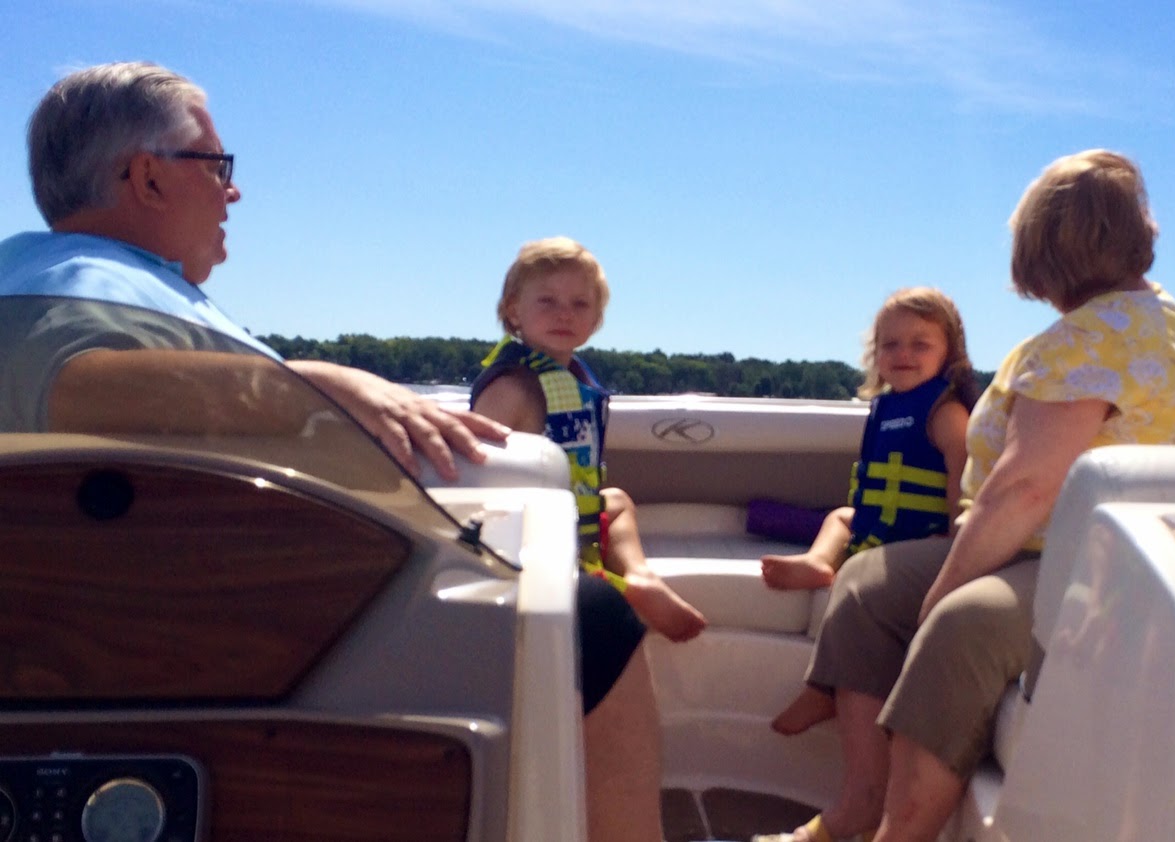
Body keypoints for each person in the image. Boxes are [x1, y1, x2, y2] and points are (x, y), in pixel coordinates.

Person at [0, 62, 663, 842]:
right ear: (147, 178)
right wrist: (321, 384)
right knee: (592, 622)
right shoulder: (70, 295)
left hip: (155, 614)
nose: (233, 192)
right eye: (216, 166)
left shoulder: (69, 279)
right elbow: (63, 389)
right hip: (213, 642)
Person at [752, 149, 1175, 842]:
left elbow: (1025, 489)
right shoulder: (1161, 320)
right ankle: (858, 802)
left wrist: (941, 592)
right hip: (1069, 551)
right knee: (864, 584)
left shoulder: (1089, 342)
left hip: (1096, 568)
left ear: (1042, 250)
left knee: (959, 622)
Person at [471, 236, 708, 643]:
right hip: (533, 536)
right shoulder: (512, 389)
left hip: (573, 519)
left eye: (580, 304)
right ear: (513, 310)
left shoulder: (573, 380)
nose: (564, 313)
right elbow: (477, 478)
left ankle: (638, 574)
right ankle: (625, 578)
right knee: (609, 509)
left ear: (596, 319)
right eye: (547, 301)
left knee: (617, 500)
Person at [763, 287, 976, 737]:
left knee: (857, 581)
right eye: (890, 344)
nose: (903, 354)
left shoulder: (944, 411)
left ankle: (823, 689)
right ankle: (818, 562)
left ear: (949, 354)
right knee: (840, 516)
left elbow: (962, 474)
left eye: (920, 344)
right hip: (876, 530)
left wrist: (952, 536)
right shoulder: (884, 408)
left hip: (920, 538)